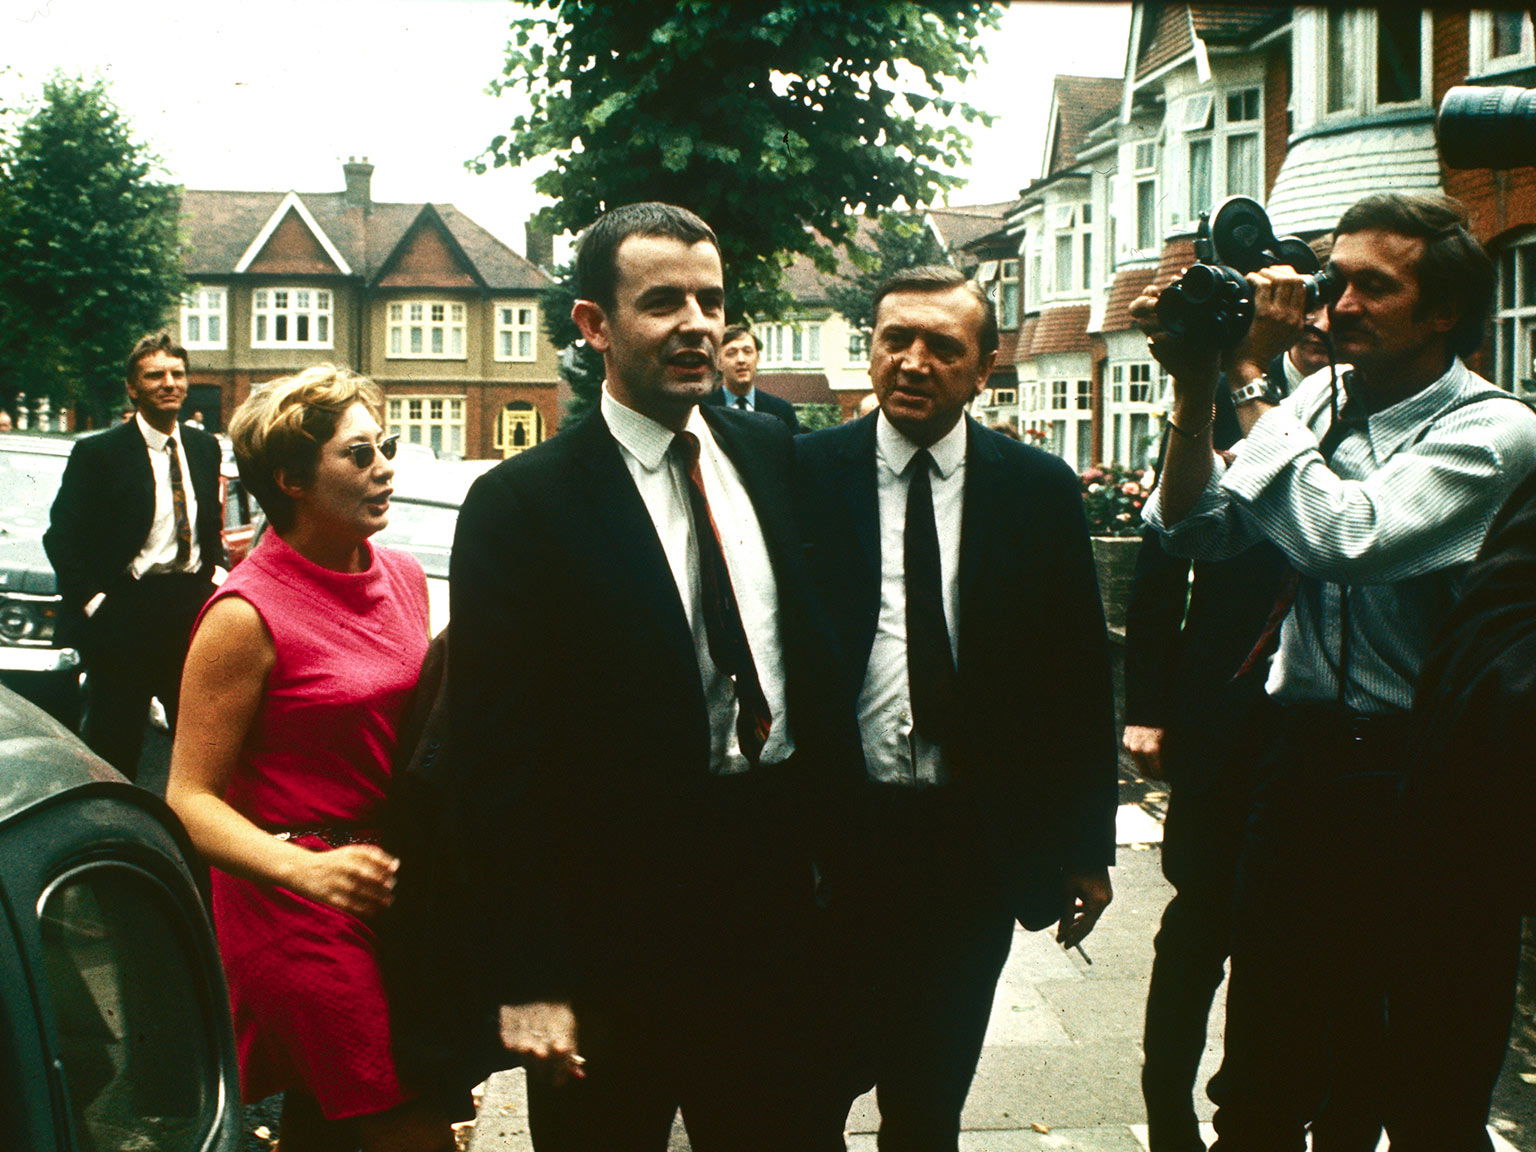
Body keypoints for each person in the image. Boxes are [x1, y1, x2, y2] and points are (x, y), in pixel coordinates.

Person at [443, 201, 857, 1151]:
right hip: (610, 934)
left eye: (710, 301)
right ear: (594, 325)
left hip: (775, 910)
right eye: (662, 302)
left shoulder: (778, 459)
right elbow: (494, 763)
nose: (697, 325)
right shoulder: (522, 506)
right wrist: (531, 977)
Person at [1132, 192, 1536, 1151]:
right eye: (1333, 278)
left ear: (1442, 313)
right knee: (1266, 1068)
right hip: (1301, 765)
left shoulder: (1497, 431)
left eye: (1371, 286)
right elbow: (1194, 528)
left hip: (1429, 785)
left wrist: (1244, 371)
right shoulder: (1317, 397)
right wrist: (1199, 389)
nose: (1335, 302)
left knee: (1420, 1081)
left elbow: (1344, 537)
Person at [796, 265, 1118, 1151]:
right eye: (894, 338)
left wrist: (1086, 848)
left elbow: (1078, 677)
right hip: (834, 842)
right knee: (803, 1091)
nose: (912, 361)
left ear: (984, 369)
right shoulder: (803, 474)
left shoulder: (1038, 490)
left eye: (942, 346)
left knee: (928, 1101)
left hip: (969, 847)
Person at [166, 365, 455, 1152]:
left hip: (388, 883)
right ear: (291, 479)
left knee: (329, 1123)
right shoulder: (242, 614)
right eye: (358, 455)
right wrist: (302, 870)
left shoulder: (400, 575)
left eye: (385, 447)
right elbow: (188, 798)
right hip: (292, 900)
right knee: (407, 1125)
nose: (386, 467)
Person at [1124, 310, 1332, 1152]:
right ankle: (1168, 1096)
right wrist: (1146, 704)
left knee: (1288, 928)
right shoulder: (1231, 417)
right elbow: (1159, 561)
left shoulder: (1336, 425)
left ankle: (1257, 1105)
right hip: (1224, 703)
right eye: (1305, 332)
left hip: (1316, 722)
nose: (1318, 340)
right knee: (1202, 914)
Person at [45, 332, 226, 778]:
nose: (169, 383)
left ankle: (197, 837)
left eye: (177, 374)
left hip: (189, 607)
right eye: (155, 375)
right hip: (125, 610)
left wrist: (217, 575)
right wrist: (96, 603)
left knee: (200, 742)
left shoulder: (205, 448)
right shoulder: (99, 453)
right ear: (133, 387)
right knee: (115, 744)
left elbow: (210, 527)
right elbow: (61, 537)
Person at [702, 324, 802, 432]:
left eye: (747, 351)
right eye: (731, 353)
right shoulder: (703, 410)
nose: (741, 360)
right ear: (718, 363)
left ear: (757, 358)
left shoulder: (781, 411)